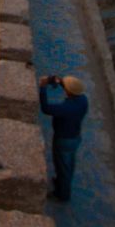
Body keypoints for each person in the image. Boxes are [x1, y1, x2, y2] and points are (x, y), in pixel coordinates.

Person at [38, 73, 88, 201]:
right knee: (68, 164)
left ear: (68, 91)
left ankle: (62, 195)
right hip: (75, 137)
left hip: (64, 140)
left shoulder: (66, 108)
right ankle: (61, 182)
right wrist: (55, 80)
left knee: (62, 167)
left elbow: (46, 109)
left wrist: (43, 88)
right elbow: (68, 87)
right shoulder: (83, 100)